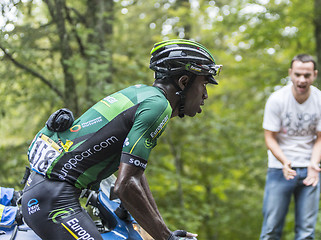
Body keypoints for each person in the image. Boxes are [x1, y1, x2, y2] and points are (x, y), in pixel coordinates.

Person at [21, 39, 222, 240]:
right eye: (204, 84)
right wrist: (166, 238)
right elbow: (125, 185)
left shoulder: (140, 93)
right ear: (184, 82)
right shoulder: (158, 107)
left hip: (46, 192)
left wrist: (164, 232)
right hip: (55, 200)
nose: (205, 94)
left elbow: (134, 174)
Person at [259, 54, 321, 240]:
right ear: (291, 73)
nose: (302, 80)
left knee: (306, 232)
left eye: (307, 75)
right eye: (298, 74)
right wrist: (284, 161)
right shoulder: (277, 100)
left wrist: (314, 164)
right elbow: (269, 138)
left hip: (310, 170)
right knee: (271, 229)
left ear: (314, 75)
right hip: (279, 169)